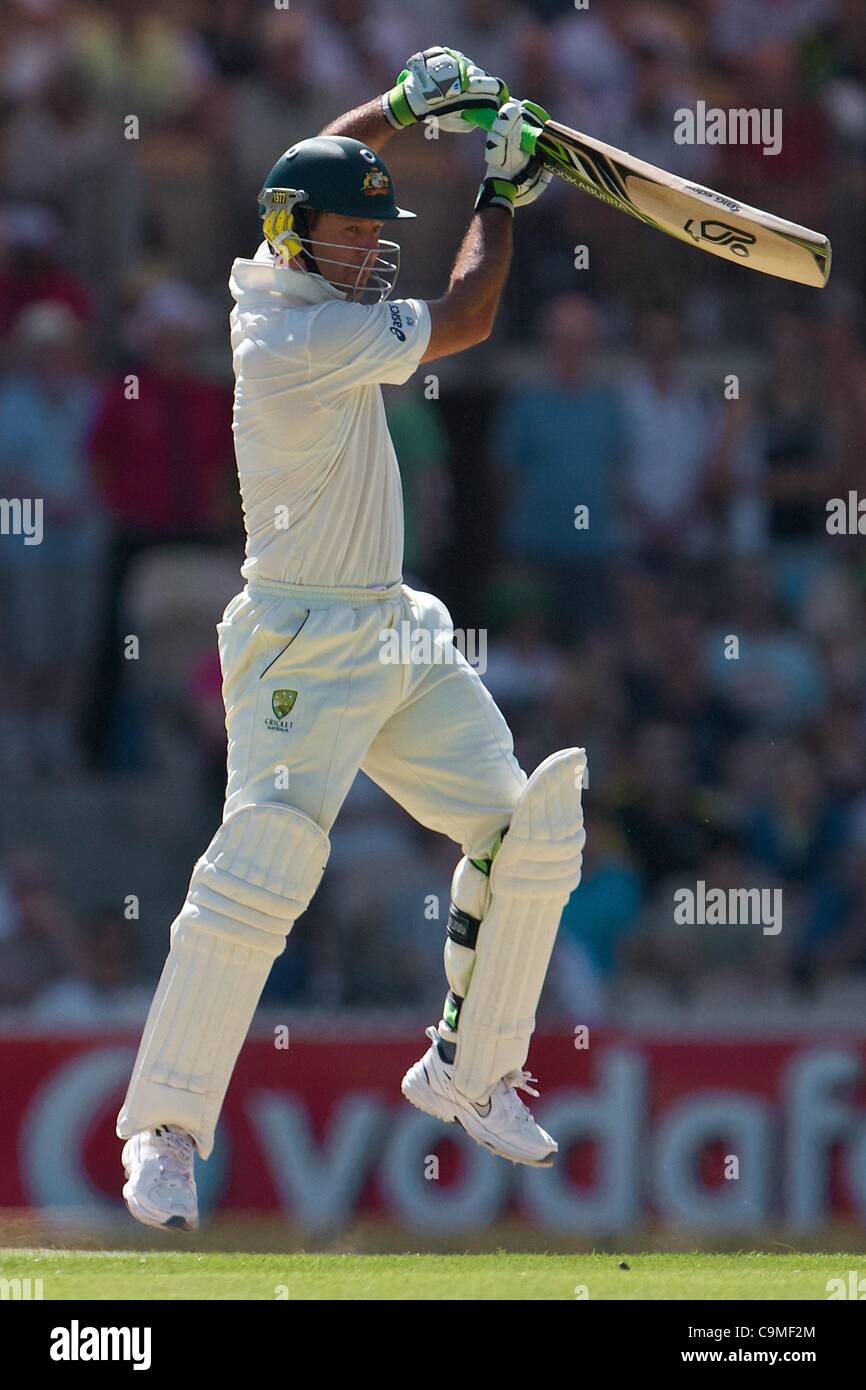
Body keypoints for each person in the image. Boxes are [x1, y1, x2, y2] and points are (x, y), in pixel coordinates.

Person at [117, 46, 586, 1233]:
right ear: (297, 240)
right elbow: (470, 317)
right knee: (261, 868)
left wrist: (400, 105)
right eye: (350, 234)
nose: (371, 247)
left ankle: (466, 1071)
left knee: (526, 830)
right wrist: (498, 190)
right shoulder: (293, 342)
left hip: (391, 622)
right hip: (297, 647)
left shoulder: (274, 275)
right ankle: (164, 1130)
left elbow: (310, 169)